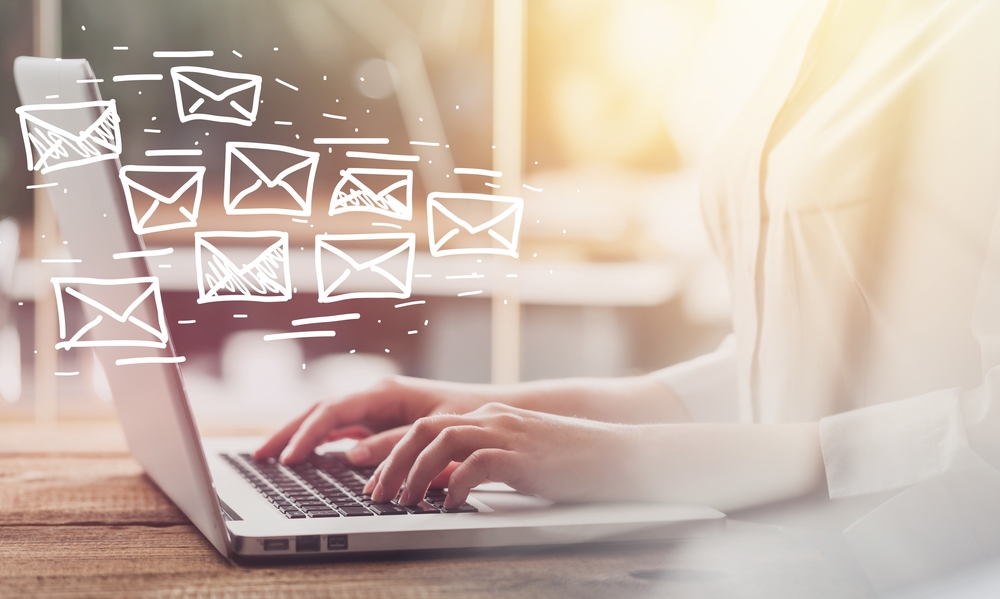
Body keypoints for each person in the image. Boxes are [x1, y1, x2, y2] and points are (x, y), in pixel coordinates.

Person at [256, 0, 1000, 553]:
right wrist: (493, 413)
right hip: (782, 554)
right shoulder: (815, 26)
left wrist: (624, 459)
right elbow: (777, 366)